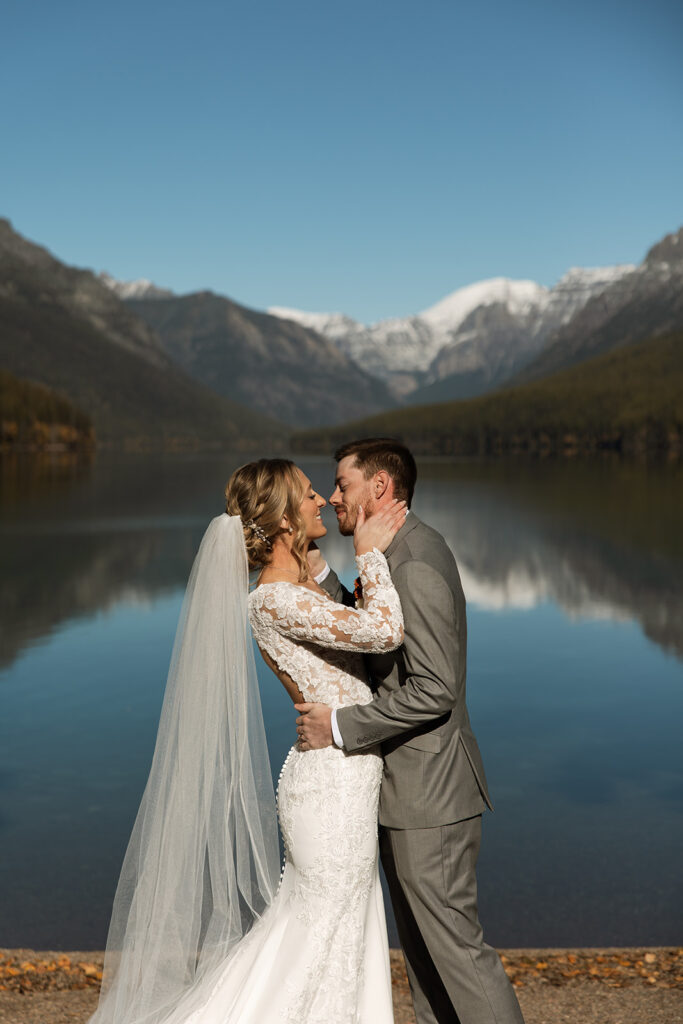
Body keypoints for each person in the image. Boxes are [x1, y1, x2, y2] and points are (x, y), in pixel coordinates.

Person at [87, 458, 406, 1024]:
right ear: (284, 519)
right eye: (309, 495)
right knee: (321, 930)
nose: (320, 502)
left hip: (341, 778)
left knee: (337, 926)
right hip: (331, 787)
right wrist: (370, 555)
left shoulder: (298, 587)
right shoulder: (274, 599)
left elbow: (340, 624)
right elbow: (383, 631)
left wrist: (330, 565)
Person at [297, 438, 525, 1024]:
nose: (332, 498)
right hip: (407, 792)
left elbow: (434, 687)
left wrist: (341, 726)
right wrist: (324, 576)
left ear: (379, 488)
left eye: (342, 485)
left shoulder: (417, 562)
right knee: (425, 964)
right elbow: (378, 638)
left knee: (458, 956)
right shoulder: (389, 554)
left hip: (432, 796)